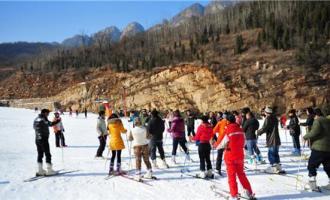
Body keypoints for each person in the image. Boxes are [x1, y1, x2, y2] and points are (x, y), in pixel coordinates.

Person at [213, 114, 256, 200]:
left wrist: (215, 145)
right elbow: (244, 143)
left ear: (228, 122)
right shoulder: (241, 130)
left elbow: (219, 145)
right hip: (240, 155)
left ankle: (234, 195)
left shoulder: (227, 130)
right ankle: (249, 192)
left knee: (232, 176)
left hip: (230, 156)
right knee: (242, 175)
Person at [303, 108, 330, 191]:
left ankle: (312, 184)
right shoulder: (328, 120)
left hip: (319, 148)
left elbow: (314, 131)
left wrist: (305, 137)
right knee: (328, 166)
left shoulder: (318, 121)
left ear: (315, 115)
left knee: (311, 165)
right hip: (328, 148)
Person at [33, 109, 60, 176]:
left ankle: (40, 170)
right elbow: (50, 124)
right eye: (47, 113)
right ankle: (49, 170)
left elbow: (34, 127)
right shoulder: (43, 118)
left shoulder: (36, 119)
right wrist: (57, 121)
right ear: (44, 113)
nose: (48, 115)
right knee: (47, 154)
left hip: (37, 139)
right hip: (43, 139)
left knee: (40, 154)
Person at [257, 106, 283, 173]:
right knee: (276, 153)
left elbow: (265, 128)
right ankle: (278, 166)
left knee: (271, 153)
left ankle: (273, 166)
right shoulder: (275, 118)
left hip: (272, 139)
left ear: (266, 112)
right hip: (276, 138)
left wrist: (258, 132)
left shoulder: (268, 118)